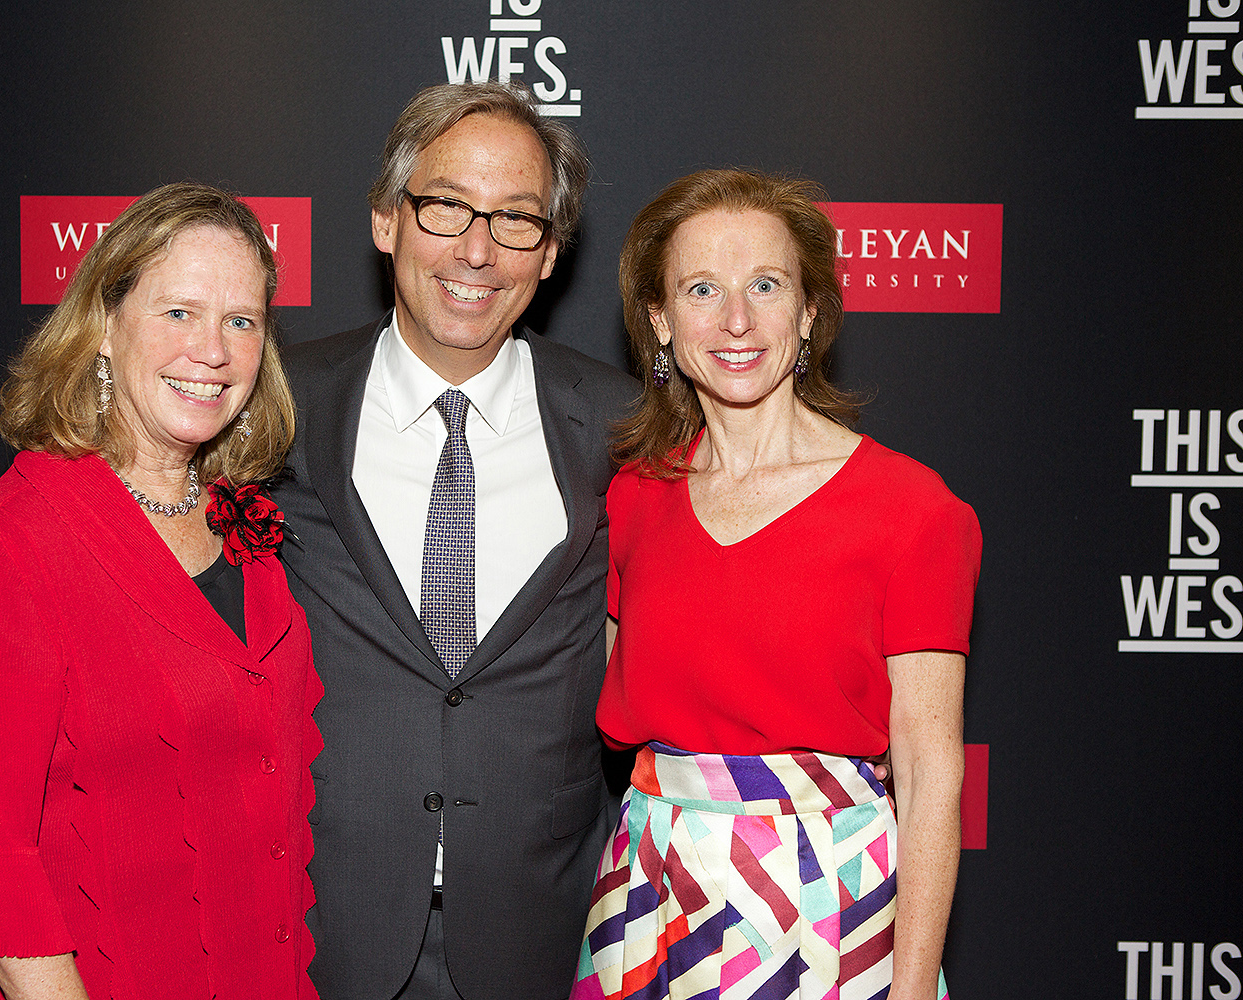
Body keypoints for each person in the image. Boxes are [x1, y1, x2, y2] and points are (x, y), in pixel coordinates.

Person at [572, 170, 981, 1000]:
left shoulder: (912, 510)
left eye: (766, 285)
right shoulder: (635, 498)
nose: (736, 320)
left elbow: (932, 774)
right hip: (654, 894)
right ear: (660, 320)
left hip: (831, 899)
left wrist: (909, 989)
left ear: (808, 311)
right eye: (701, 289)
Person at [271, 82, 637, 1000]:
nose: (477, 250)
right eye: (445, 209)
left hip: (544, 932)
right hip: (316, 922)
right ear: (388, 221)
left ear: (550, 254)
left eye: (516, 220)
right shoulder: (274, 406)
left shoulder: (624, 427)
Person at [0, 183, 321, 1000]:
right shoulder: (13, 542)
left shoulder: (244, 526)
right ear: (104, 326)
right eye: (178, 312)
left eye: (241, 321)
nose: (212, 350)